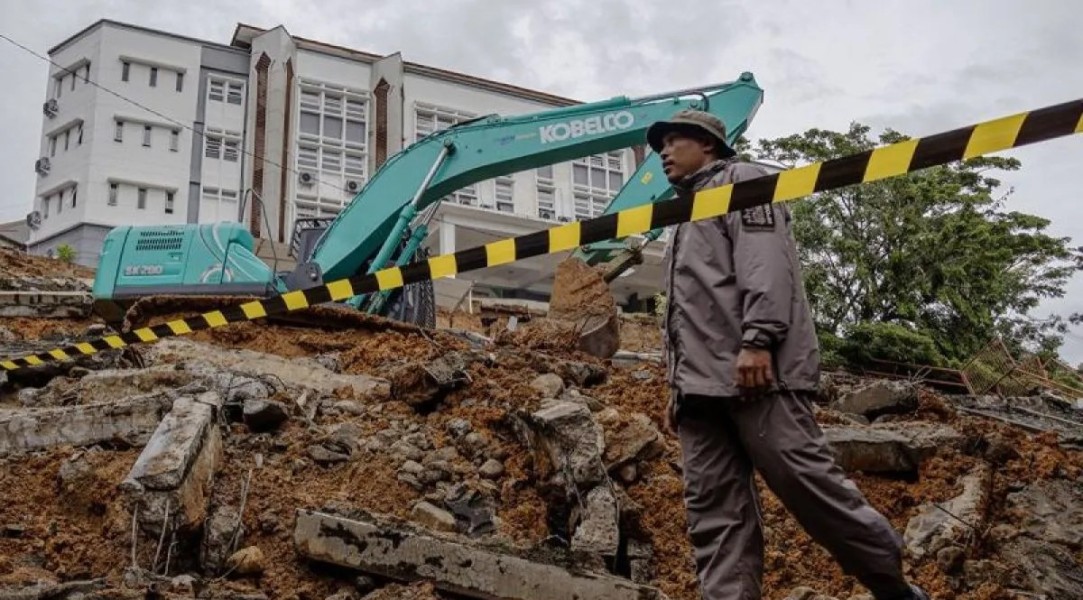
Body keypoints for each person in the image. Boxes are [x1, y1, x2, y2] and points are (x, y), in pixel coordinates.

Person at [646, 109, 930, 600]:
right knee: (714, 514)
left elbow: (765, 266)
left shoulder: (744, 182)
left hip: (756, 378)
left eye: (674, 142)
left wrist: (759, 340)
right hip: (699, 391)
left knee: (810, 490)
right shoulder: (684, 215)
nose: (664, 154)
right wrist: (677, 386)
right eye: (661, 146)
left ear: (708, 144)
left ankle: (894, 587)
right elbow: (684, 314)